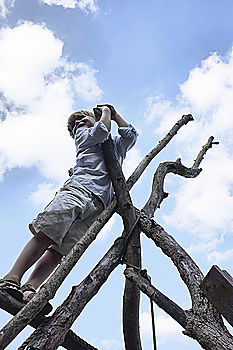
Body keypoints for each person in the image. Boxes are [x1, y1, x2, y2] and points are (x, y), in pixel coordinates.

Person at [0, 104, 138, 303]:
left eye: (83, 118)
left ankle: (30, 288)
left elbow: (130, 135)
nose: (79, 123)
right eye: (75, 125)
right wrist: (106, 114)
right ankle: (12, 277)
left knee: (61, 250)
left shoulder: (114, 145)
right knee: (48, 233)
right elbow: (100, 131)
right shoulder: (84, 136)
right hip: (79, 189)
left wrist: (116, 116)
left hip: (99, 204)